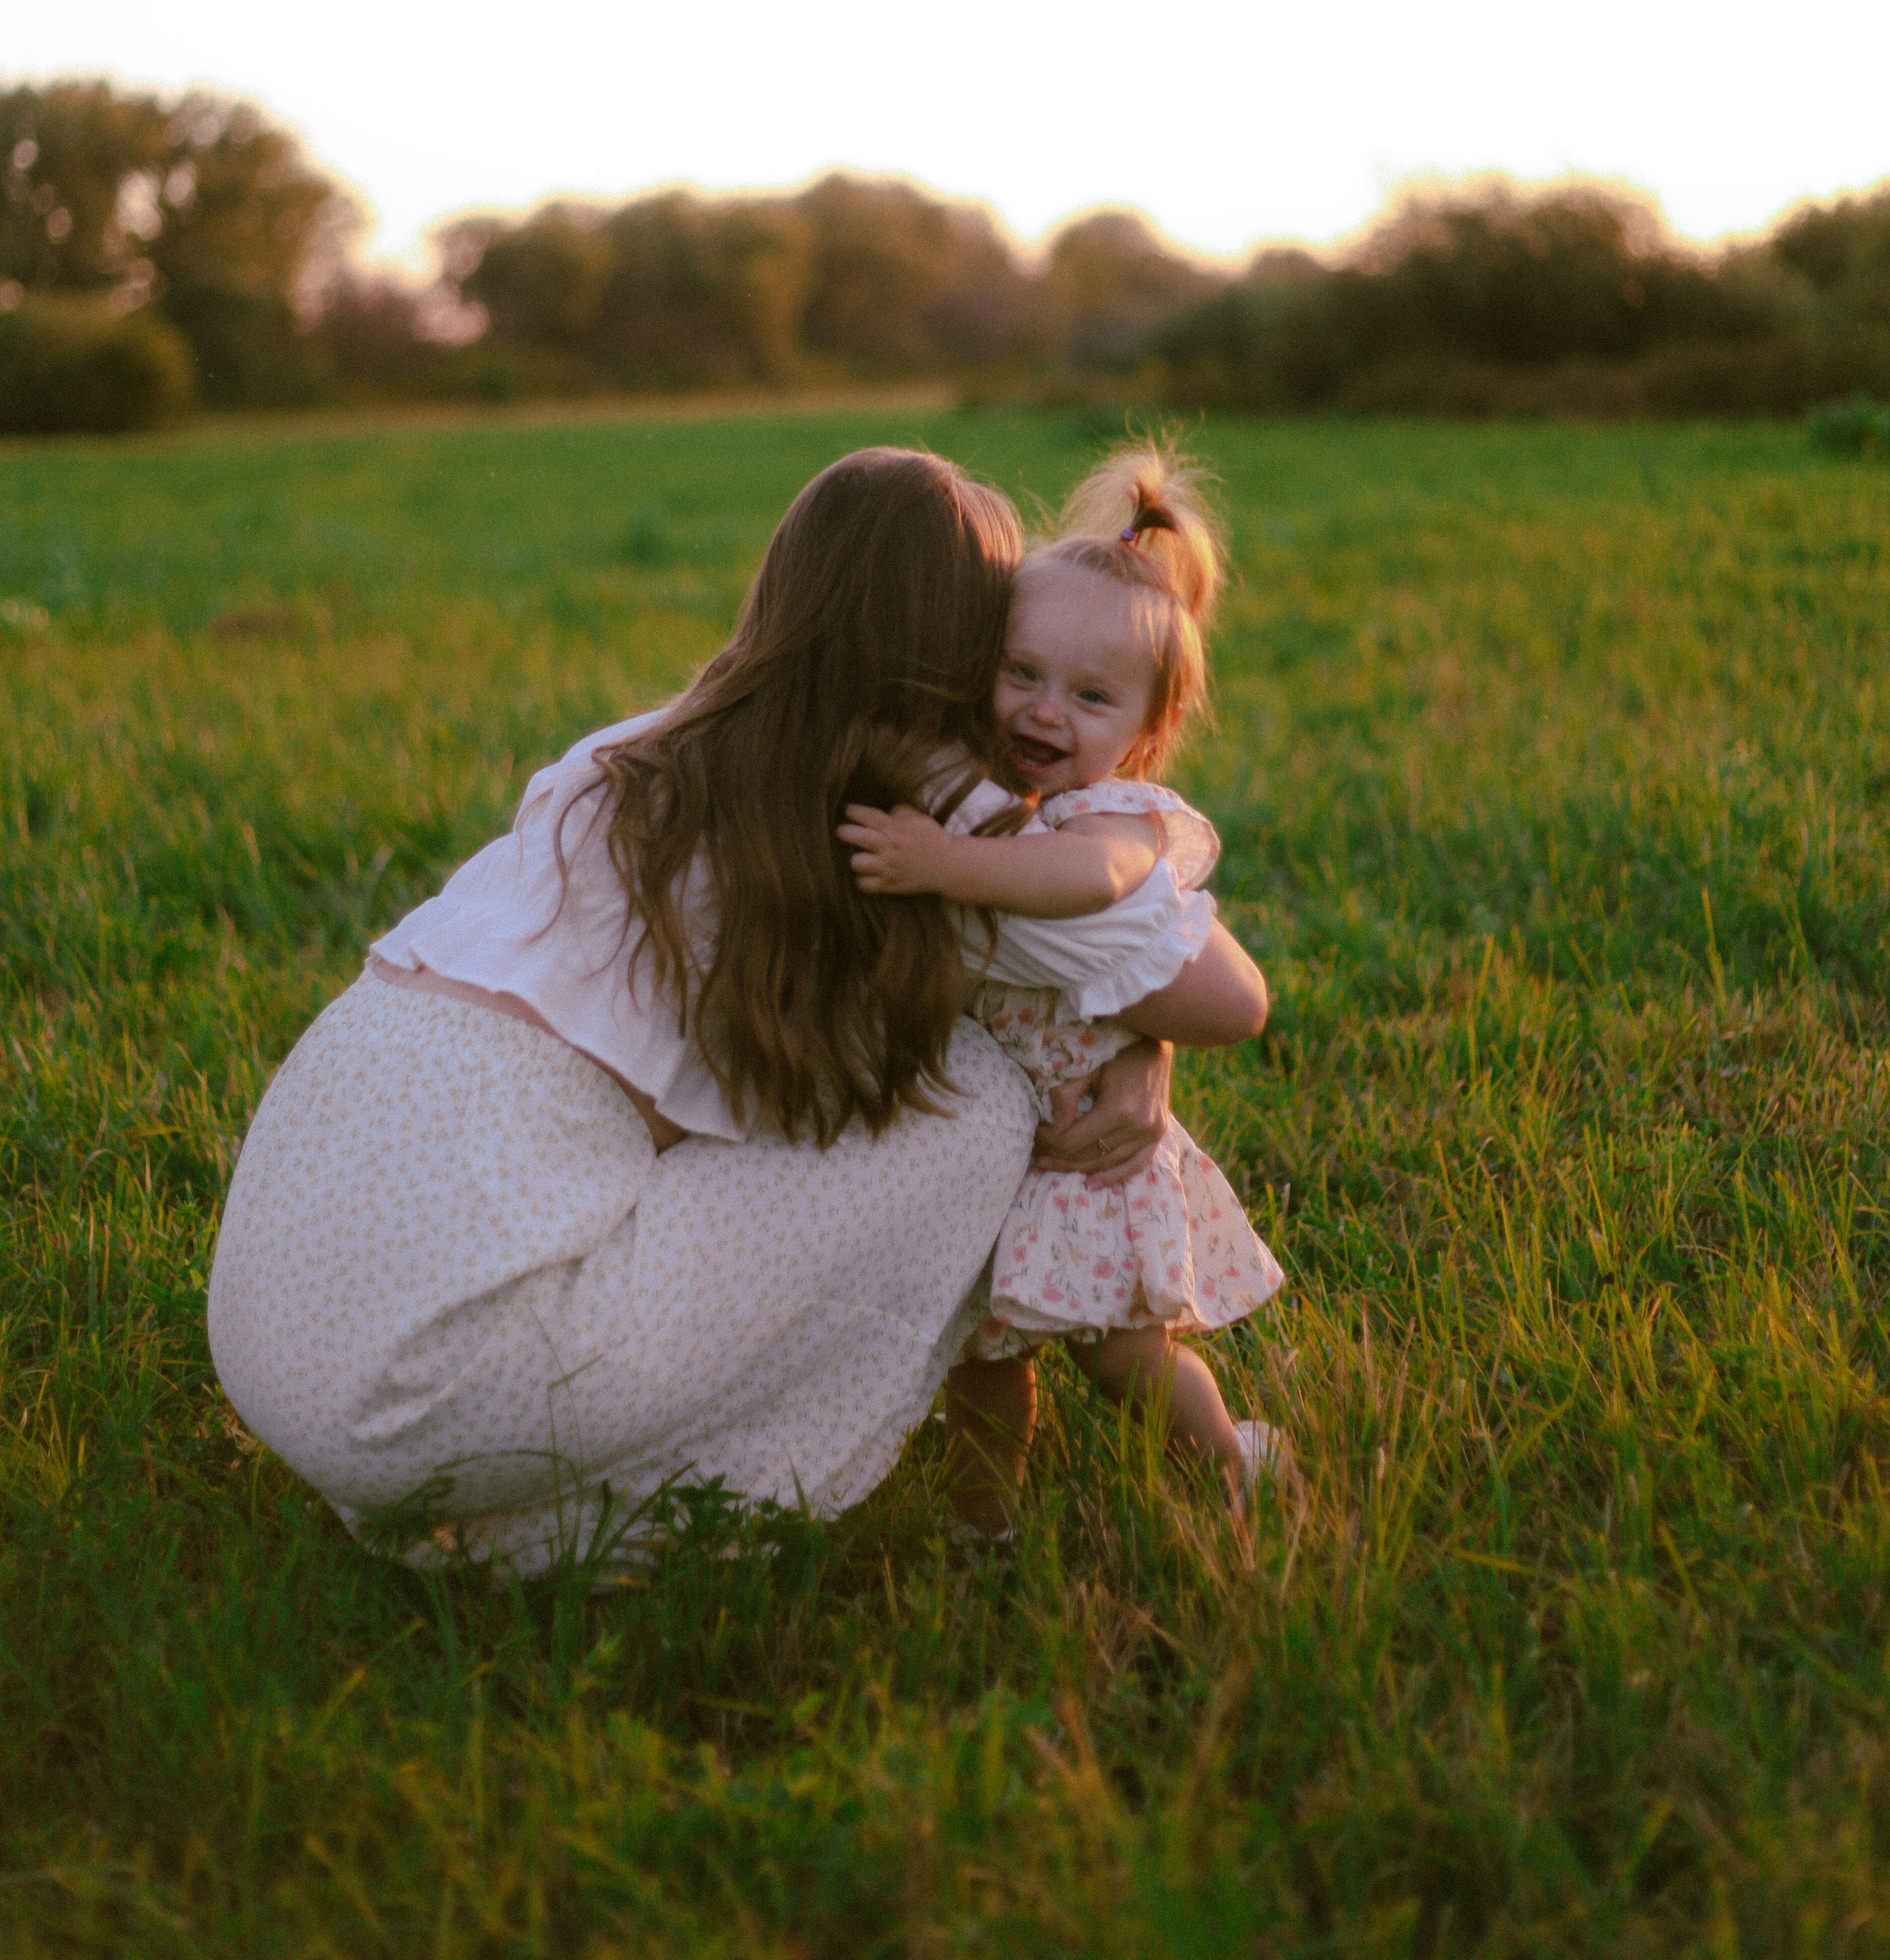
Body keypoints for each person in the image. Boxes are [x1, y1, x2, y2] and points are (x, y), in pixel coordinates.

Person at [207, 447, 1244, 1577]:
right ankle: (616, 1508)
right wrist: (1148, 1041)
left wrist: (1145, 1044)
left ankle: (444, 1489)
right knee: (984, 1100)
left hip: (276, 1332)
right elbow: (1223, 990)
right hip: (432, 1381)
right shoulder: (915, 811)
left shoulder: (632, 748)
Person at [841, 446, 1282, 1530]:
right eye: (1023, 674)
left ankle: (1230, 1459)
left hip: (1090, 1154)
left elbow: (1088, 884)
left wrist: (945, 868)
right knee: (981, 1364)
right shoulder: (989, 792)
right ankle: (981, 1519)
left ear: (1147, 733)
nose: (1047, 711)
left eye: (1091, 696)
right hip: (994, 1150)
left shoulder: (1118, 821)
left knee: (1127, 1356)